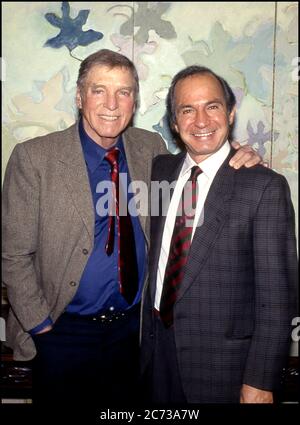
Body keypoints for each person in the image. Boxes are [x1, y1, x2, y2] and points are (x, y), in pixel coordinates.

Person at [2, 50, 262, 407]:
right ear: (79, 97)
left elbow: (199, 163)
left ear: (134, 100)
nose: (112, 103)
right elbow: (13, 254)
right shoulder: (34, 158)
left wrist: (235, 154)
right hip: (63, 333)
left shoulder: (149, 148)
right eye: (99, 90)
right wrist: (42, 327)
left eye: (123, 92)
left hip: (133, 333)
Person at [141, 65, 298, 404]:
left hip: (223, 368)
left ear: (230, 112)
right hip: (155, 353)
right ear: (173, 121)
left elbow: (277, 299)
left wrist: (260, 382)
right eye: (187, 109)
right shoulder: (159, 172)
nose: (201, 121)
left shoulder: (264, 187)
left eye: (211, 106)